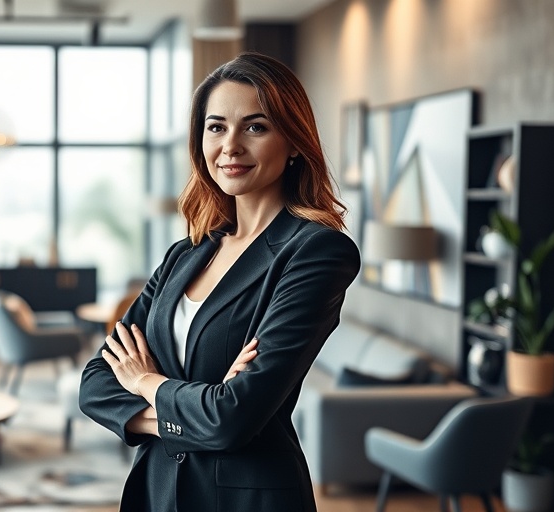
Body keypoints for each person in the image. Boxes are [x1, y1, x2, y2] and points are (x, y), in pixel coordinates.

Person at [78, 51, 361, 512]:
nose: (230, 146)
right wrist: (195, 411)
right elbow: (95, 383)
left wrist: (147, 381)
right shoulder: (185, 253)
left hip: (246, 499)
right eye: (216, 127)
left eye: (255, 126)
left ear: (293, 142)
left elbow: (233, 418)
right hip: (157, 491)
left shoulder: (316, 252)